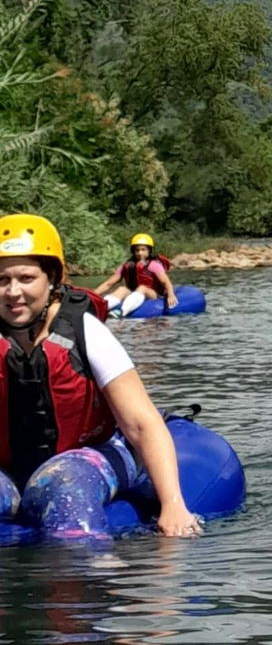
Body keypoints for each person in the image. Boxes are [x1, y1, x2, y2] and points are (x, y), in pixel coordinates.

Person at [0, 214, 200, 537]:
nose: (12, 292)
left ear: (50, 278)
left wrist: (173, 505)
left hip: (92, 455)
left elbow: (141, 423)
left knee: (63, 486)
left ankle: (88, 581)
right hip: (10, 469)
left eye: (25, 278)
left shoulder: (84, 330)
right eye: (1, 280)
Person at [94, 233, 179, 317]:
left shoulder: (154, 265)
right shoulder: (127, 265)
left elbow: (166, 282)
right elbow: (109, 283)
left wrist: (170, 295)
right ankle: (97, 307)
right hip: (134, 293)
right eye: (137, 250)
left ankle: (122, 311)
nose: (139, 253)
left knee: (142, 288)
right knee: (122, 289)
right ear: (133, 251)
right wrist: (93, 294)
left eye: (143, 250)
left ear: (149, 250)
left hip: (154, 294)